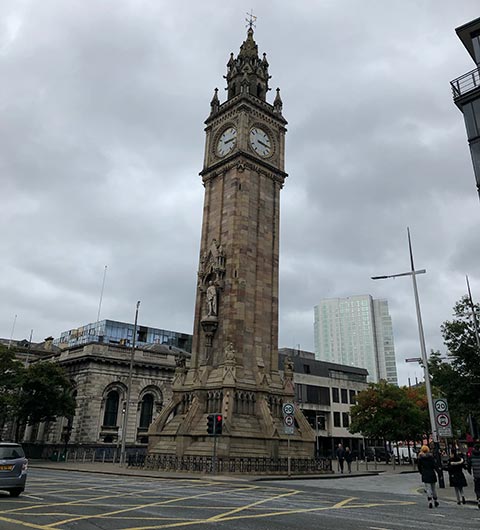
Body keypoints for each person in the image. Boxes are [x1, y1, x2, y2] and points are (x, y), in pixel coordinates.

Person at [467, 444, 480, 510]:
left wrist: (469, 471)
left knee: (477, 489)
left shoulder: (471, 456)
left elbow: (469, 465)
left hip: (476, 475)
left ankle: (479, 498)